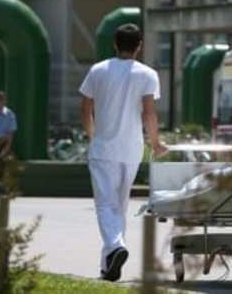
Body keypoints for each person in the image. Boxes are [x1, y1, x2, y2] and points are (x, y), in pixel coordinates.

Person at [79, 23, 168, 282]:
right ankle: (108, 267)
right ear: (139, 45)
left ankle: (117, 246)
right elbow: (149, 113)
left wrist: (93, 137)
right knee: (119, 206)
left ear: (115, 44)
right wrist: (156, 142)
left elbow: (85, 110)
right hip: (132, 149)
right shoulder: (148, 74)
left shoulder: (98, 70)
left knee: (106, 206)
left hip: (104, 148)